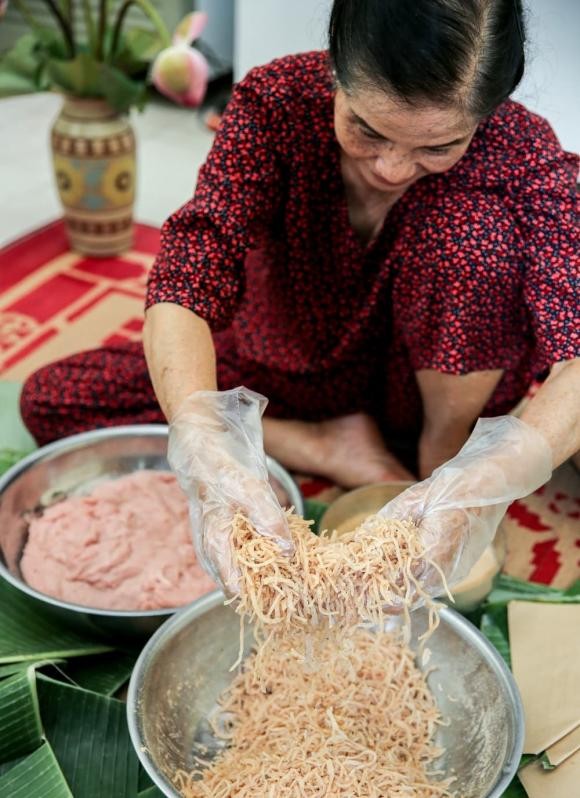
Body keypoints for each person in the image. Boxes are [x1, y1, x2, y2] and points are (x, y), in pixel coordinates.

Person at [21, 0, 578, 590]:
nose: (390, 168)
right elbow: (189, 273)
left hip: (429, 398)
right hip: (290, 373)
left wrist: (475, 482)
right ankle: (321, 443)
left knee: (474, 239)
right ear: (335, 70)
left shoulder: (524, 156)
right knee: (54, 400)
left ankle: (435, 462)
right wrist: (209, 441)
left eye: (436, 147)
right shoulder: (276, 104)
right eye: (367, 128)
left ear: (487, 114)